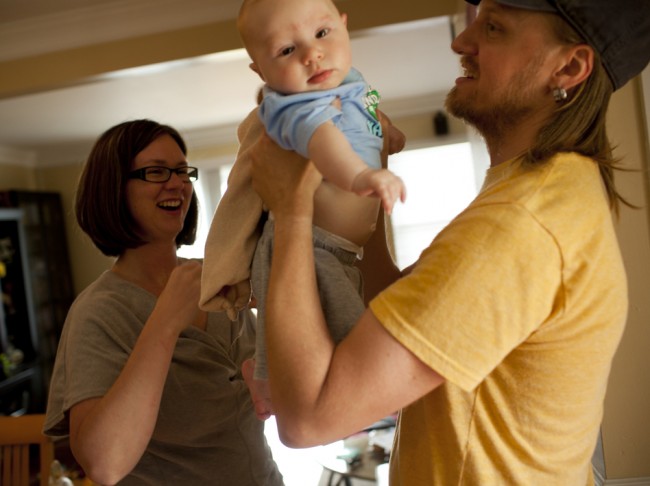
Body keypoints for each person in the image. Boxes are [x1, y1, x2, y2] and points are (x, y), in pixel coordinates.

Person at [248, 0, 650, 484]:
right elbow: (389, 311)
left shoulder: (517, 224)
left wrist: (292, 211)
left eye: (494, 27)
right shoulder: (544, 191)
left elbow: (308, 420)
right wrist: (363, 183)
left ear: (567, 68)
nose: (461, 41)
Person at [43, 120, 283, 485]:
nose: (177, 183)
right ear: (113, 188)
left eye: (182, 171)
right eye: (156, 171)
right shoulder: (99, 312)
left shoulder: (220, 279)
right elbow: (104, 465)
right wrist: (166, 321)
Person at [200, 0, 406, 419]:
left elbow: (370, 116)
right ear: (261, 70)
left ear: (344, 27)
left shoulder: (351, 84)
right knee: (346, 337)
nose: (312, 54)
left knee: (316, 329)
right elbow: (324, 144)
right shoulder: (292, 107)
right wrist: (363, 176)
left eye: (322, 33)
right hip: (306, 246)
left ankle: (267, 376)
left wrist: (389, 133)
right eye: (286, 50)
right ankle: (280, 383)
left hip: (341, 248)